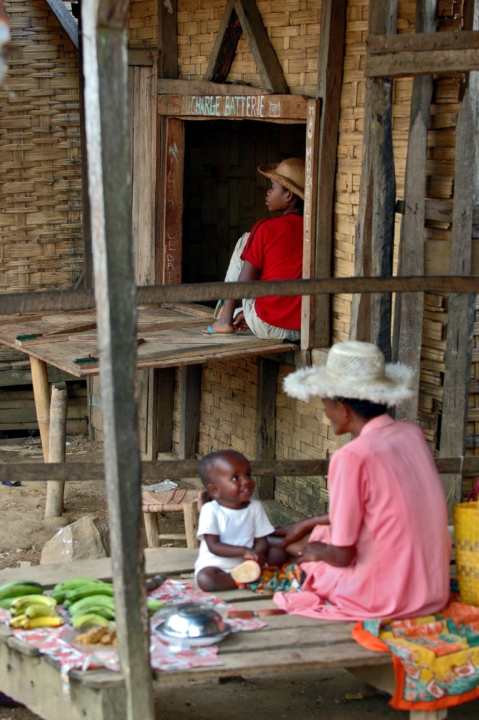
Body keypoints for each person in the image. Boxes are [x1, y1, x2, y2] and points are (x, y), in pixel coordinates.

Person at [272, 341, 451, 621]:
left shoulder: (352, 456)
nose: (325, 411)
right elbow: (379, 512)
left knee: (305, 553)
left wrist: (317, 551)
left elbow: (342, 555)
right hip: (432, 589)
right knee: (316, 535)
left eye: (326, 403)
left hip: (386, 596)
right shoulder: (411, 433)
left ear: (343, 408)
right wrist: (308, 523)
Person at [203, 157, 304, 341]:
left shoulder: (265, 228)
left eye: (273, 186)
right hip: (305, 328)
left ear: (289, 195)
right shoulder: (315, 232)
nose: (268, 192)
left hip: (267, 326)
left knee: (246, 239)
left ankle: (225, 316)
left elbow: (245, 286)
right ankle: (240, 314)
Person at [194, 450, 286, 591]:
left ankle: (250, 576)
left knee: (279, 554)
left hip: (248, 563)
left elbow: (261, 539)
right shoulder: (210, 510)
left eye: (247, 475)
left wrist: (258, 553)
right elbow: (213, 546)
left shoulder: (255, 507)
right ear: (215, 490)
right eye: (235, 478)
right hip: (217, 566)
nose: (246, 481)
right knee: (206, 580)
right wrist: (244, 551)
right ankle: (247, 579)